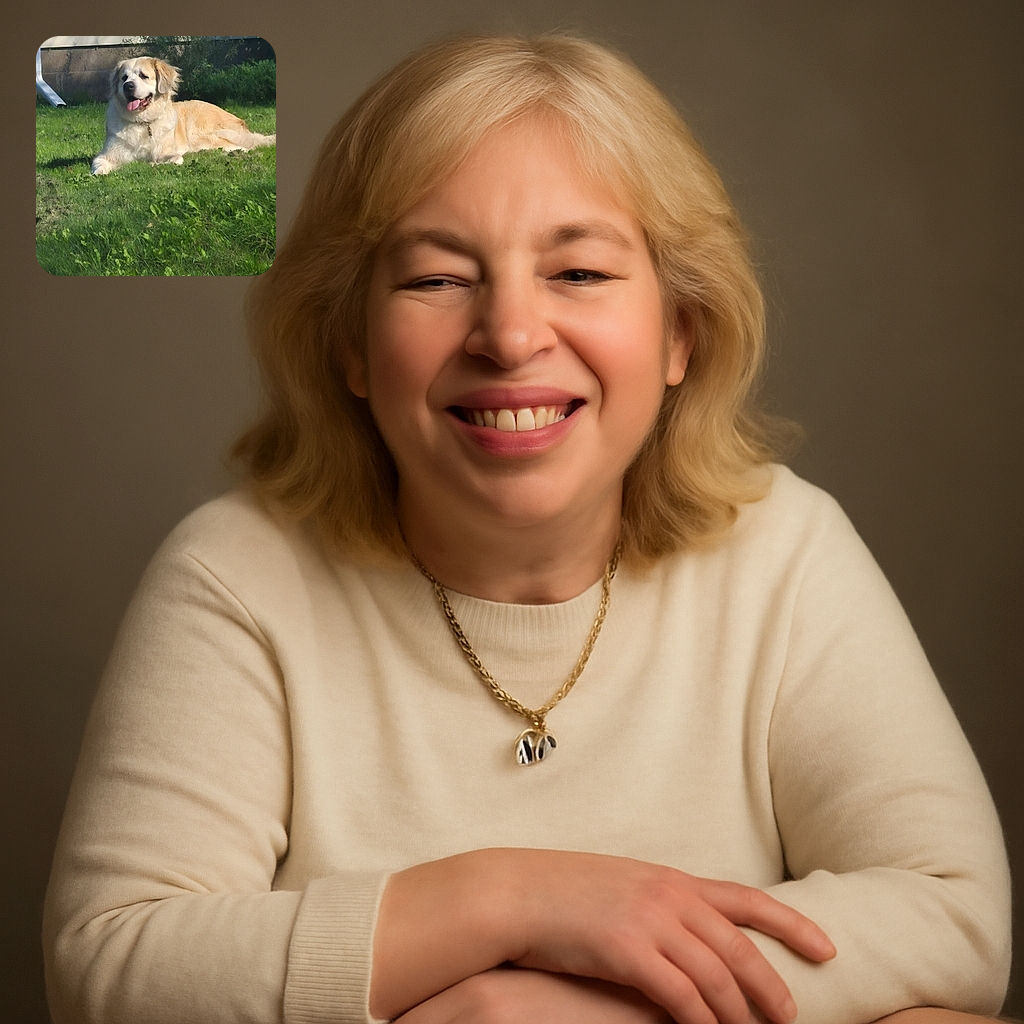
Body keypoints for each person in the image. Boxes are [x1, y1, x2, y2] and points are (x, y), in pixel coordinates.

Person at [43, 32, 1011, 1024]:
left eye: (579, 273)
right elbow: (111, 958)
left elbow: (955, 917)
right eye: (434, 279)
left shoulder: (786, 548)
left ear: (681, 331)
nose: (509, 336)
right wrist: (509, 900)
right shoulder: (236, 571)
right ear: (350, 345)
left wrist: (555, 1008)